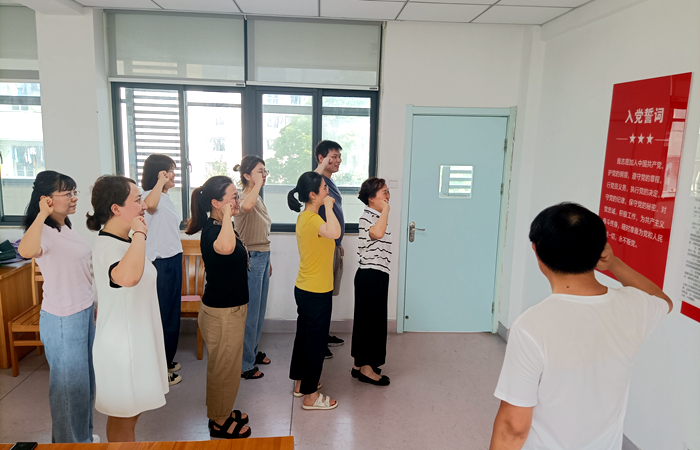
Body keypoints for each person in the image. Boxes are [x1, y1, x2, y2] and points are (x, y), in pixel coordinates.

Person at [489, 202, 673, 450]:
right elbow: (662, 300)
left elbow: (514, 427)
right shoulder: (634, 307)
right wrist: (615, 264)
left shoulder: (531, 326)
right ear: (599, 250)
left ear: (536, 251)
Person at [87, 175, 168, 442]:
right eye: (137, 200)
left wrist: (137, 237)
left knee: (127, 416)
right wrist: (140, 234)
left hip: (133, 341)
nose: (144, 206)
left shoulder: (123, 242)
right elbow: (128, 278)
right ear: (116, 208)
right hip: (122, 347)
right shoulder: (109, 246)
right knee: (124, 418)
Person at [18, 171, 97, 444]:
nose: (74, 198)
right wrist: (41, 214)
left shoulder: (65, 227)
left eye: (74, 192)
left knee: (84, 384)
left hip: (82, 311)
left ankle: (82, 439)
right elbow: (26, 251)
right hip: (63, 317)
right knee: (68, 390)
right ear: (46, 199)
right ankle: (68, 445)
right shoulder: (43, 230)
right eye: (68, 193)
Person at [185, 176, 251, 439]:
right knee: (224, 368)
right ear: (216, 203)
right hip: (223, 312)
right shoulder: (214, 230)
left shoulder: (221, 225)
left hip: (230, 308)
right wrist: (226, 216)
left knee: (229, 366)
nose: (237, 201)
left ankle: (222, 410)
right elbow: (225, 249)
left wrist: (227, 216)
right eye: (233, 197)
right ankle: (219, 422)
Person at [287, 172, 341, 410]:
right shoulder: (313, 220)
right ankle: (310, 396)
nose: (327, 191)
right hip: (316, 292)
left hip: (306, 288)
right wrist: (329, 206)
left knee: (304, 338)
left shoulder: (306, 217)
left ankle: (301, 384)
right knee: (315, 344)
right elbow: (336, 232)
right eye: (324, 188)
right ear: (313, 194)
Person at [142, 154, 183, 386]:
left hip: (173, 259)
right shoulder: (148, 195)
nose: (173, 175)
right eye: (170, 170)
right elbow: (149, 206)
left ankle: (165, 361)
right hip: (160, 262)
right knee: (164, 316)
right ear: (159, 173)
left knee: (171, 314)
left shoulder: (165, 197)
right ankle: (160, 370)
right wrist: (159, 182)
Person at [233, 156, 272, 380]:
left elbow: (261, 231)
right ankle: (245, 364)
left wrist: (269, 261)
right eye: (259, 171)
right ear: (247, 175)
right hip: (252, 257)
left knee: (259, 310)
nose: (264, 175)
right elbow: (246, 208)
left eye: (265, 171)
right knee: (251, 313)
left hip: (262, 255)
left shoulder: (257, 197)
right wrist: (256, 184)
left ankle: (252, 352)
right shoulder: (242, 197)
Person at [350, 177, 392, 386]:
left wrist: (384, 211)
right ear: (371, 198)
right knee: (371, 322)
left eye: (387, 191)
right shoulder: (368, 216)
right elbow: (377, 233)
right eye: (384, 192)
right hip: (371, 274)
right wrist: (386, 210)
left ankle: (359, 364)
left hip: (375, 274)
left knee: (366, 320)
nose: (388, 196)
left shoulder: (375, 215)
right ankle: (367, 369)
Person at [314, 140, 346, 358]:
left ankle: (323, 334)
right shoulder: (317, 181)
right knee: (321, 295)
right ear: (321, 158)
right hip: (322, 246)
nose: (338, 160)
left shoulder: (329, 182)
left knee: (328, 294)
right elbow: (307, 182)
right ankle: (318, 340)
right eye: (333, 157)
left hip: (333, 245)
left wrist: (338, 243)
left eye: (339, 157)